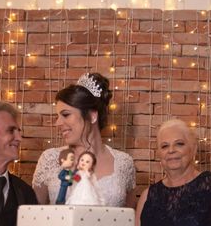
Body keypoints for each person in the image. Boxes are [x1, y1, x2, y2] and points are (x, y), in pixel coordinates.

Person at [32, 72, 136, 208]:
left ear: (92, 116)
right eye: (58, 116)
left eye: (65, 115)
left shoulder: (124, 162)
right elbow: (33, 215)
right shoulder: (49, 159)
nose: (57, 123)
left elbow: (128, 221)